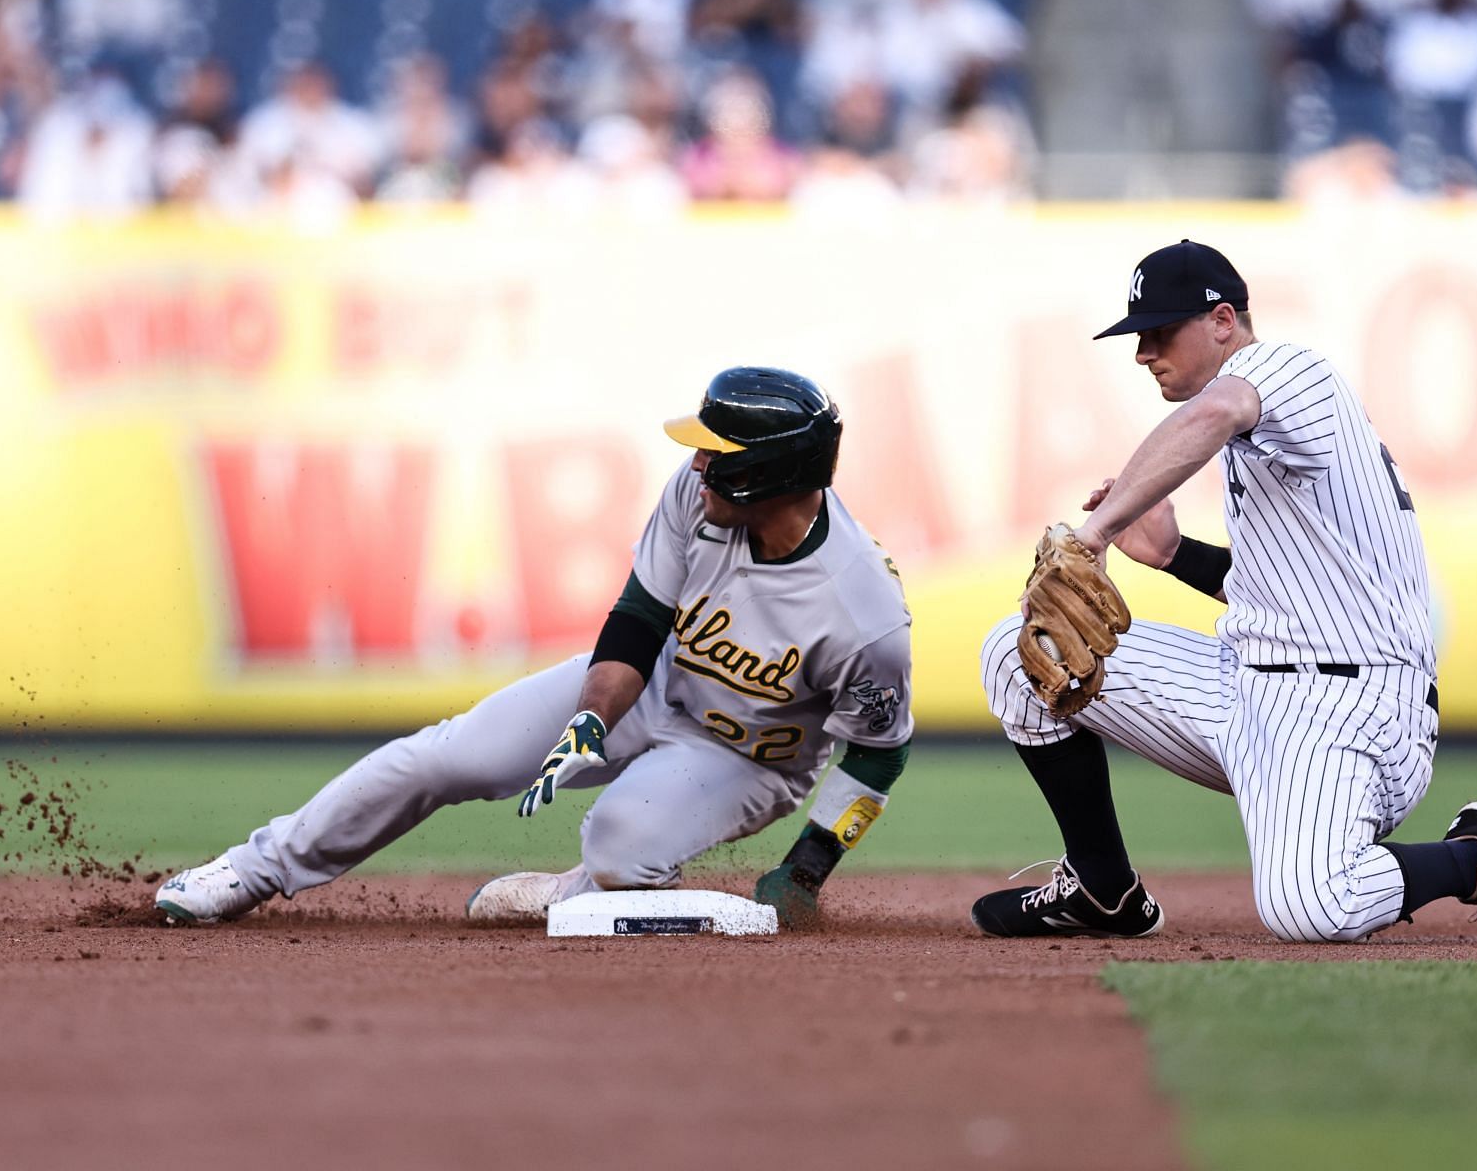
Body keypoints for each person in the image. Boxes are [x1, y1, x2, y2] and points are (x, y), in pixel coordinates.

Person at [972, 240, 1477, 944]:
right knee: (1015, 652)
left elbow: (1211, 417)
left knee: (1310, 907)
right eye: (1138, 335)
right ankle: (1102, 886)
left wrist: (1095, 533)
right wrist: (1175, 556)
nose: (1143, 352)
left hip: (1352, 707)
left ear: (1222, 320)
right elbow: (1295, 597)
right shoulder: (1265, 428)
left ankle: (1476, 858)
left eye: (1159, 332)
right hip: (1241, 688)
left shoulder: (1284, 369)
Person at [156, 368, 914, 929]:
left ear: (768, 475)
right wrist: (592, 717)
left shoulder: (863, 613)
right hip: (649, 684)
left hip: (747, 755)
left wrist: (805, 872)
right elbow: (640, 617)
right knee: (452, 756)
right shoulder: (698, 499)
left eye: (717, 454)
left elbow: (878, 753)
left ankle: (569, 892)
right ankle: (253, 869)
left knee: (620, 852)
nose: (696, 464)